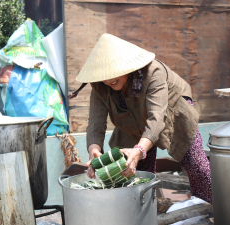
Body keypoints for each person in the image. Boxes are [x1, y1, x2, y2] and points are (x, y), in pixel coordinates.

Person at [69, 33, 212, 203]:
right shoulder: (100, 86)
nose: (108, 80)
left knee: (197, 167)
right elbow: (95, 124)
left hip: (172, 110)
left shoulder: (154, 73)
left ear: (128, 68)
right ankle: (144, 214)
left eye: (113, 73)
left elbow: (157, 119)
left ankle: (218, 210)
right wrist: (94, 151)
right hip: (130, 120)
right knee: (131, 172)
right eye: (103, 75)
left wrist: (139, 150)